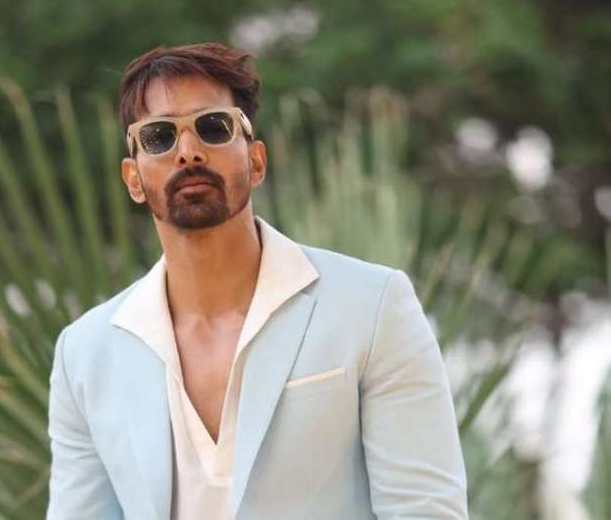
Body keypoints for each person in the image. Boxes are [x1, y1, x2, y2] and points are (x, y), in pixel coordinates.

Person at [47, 42, 468, 520]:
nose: (189, 152)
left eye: (213, 127)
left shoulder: (371, 307)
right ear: (133, 179)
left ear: (256, 160)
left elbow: (424, 509)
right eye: (159, 137)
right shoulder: (85, 352)